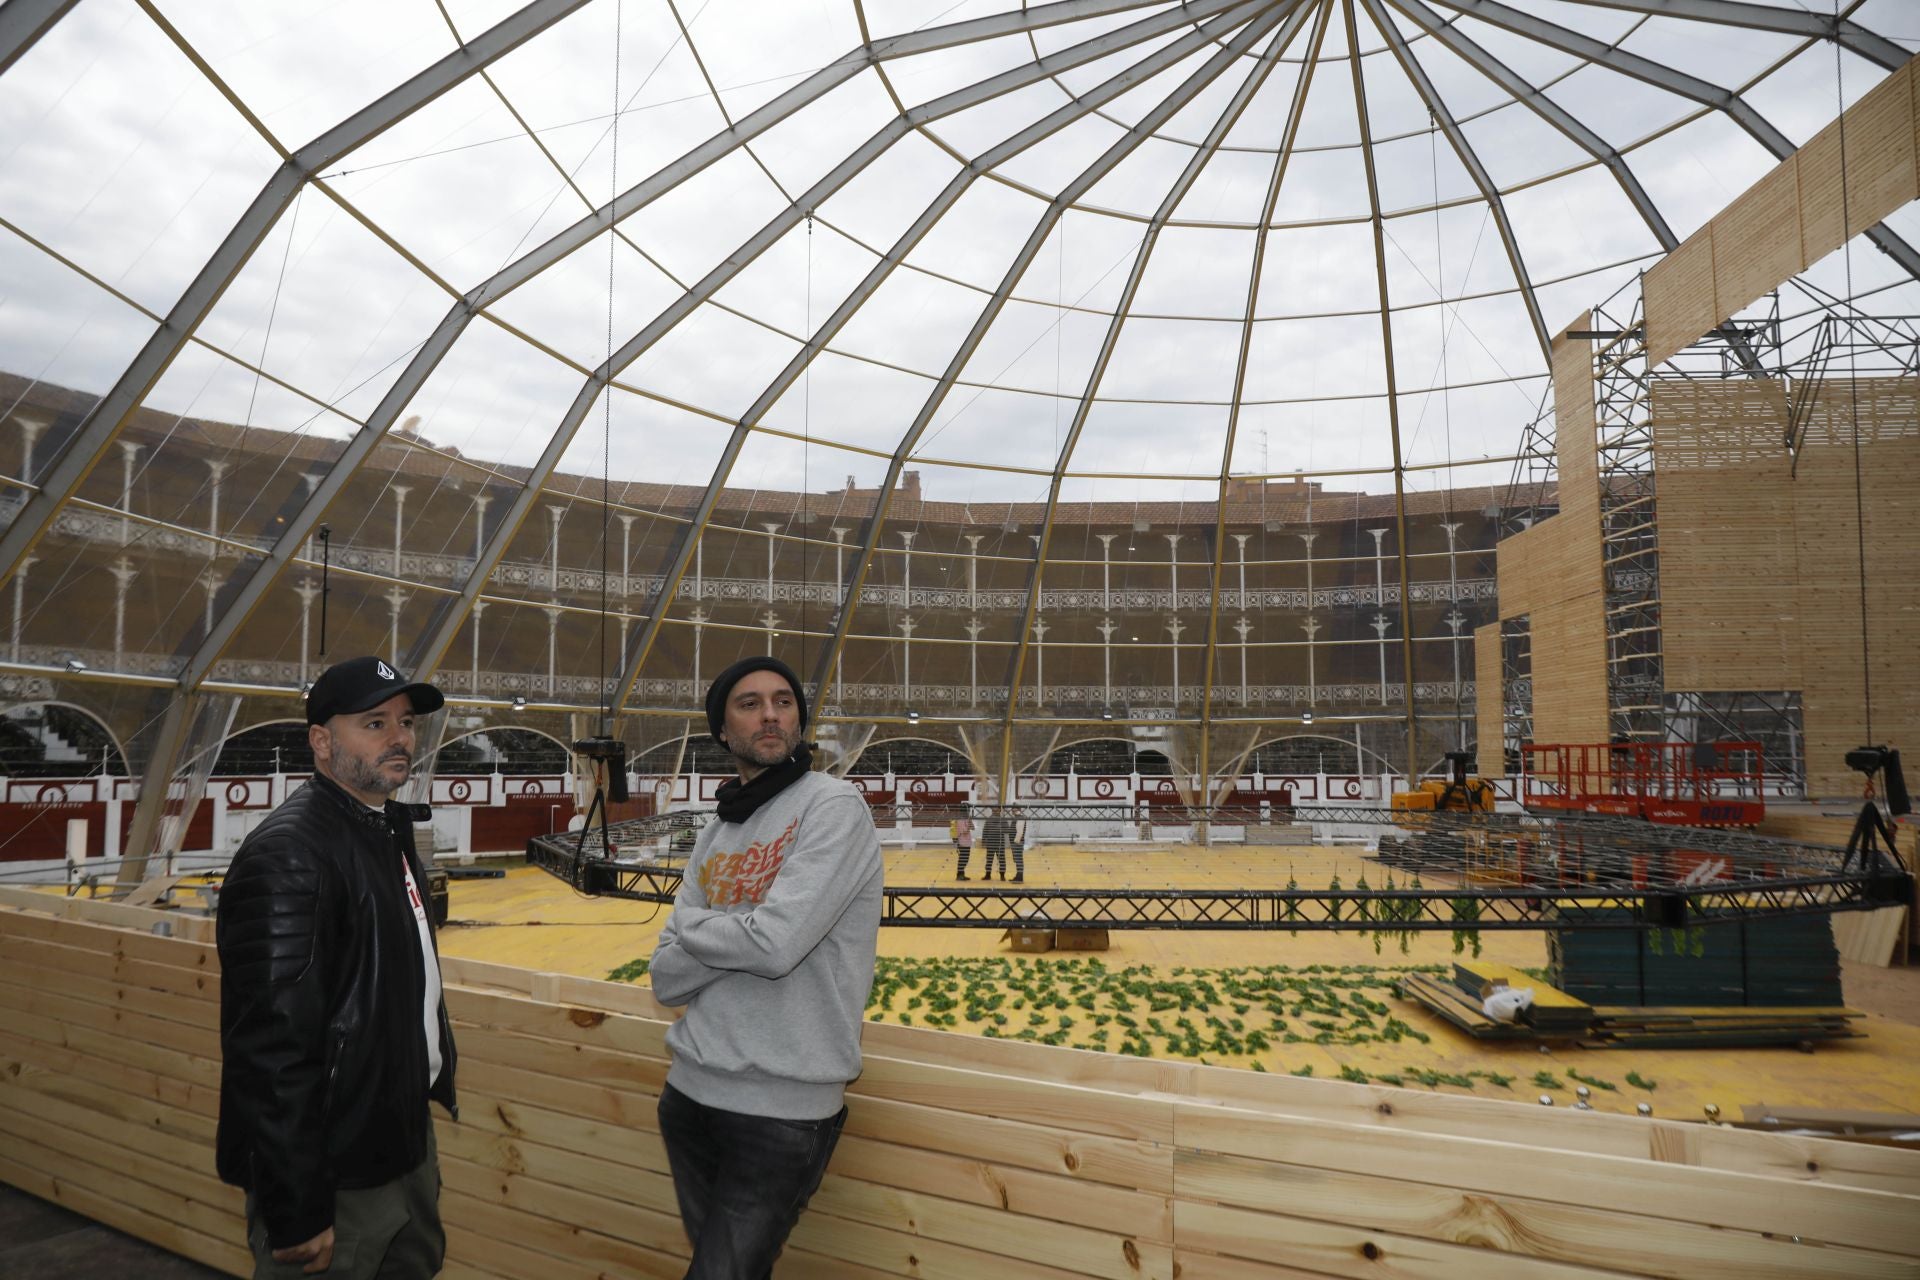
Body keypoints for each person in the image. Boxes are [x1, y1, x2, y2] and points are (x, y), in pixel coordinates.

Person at [217, 655, 456, 1279]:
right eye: (375, 723)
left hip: (399, 1139)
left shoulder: (382, 830)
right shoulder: (290, 855)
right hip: (335, 1167)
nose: (400, 738)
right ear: (322, 742)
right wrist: (296, 1201)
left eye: (407, 722)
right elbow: (269, 1049)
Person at [649, 656, 883, 1278]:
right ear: (723, 731)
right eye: (749, 704)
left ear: (799, 720)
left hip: (782, 1109)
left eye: (783, 702)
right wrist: (742, 933)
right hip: (689, 1096)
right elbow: (665, 978)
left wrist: (697, 928)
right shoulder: (715, 830)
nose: (771, 715)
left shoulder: (833, 807)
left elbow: (777, 946)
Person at [952, 809, 974, 881]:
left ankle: (962, 875)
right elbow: (964, 831)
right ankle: (959, 876)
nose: (968, 812)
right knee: (962, 859)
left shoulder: (967, 819)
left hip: (967, 842)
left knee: (965, 859)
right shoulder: (959, 820)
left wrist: (970, 822)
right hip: (962, 842)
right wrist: (969, 826)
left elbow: (973, 828)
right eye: (967, 811)